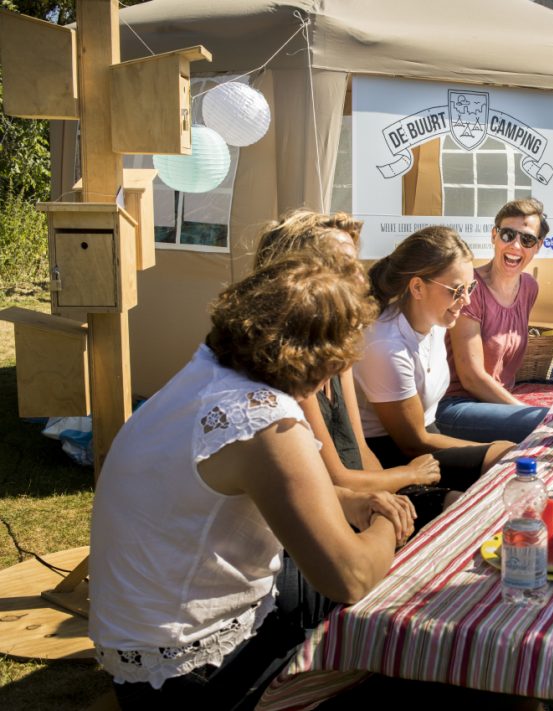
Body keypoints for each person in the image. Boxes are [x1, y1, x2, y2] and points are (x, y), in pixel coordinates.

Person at [89, 248, 415, 709]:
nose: (334, 381)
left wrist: (351, 502)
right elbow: (352, 576)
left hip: (144, 647)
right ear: (317, 357)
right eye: (339, 362)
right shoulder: (258, 419)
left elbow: (242, 488)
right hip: (189, 675)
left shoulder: (208, 373)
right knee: (402, 656)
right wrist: (389, 523)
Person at [253, 210, 442, 497]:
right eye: (343, 265)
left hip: (366, 493)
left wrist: (396, 496)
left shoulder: (338, 350)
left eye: (355, 263)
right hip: (334, 504)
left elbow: (361, 450)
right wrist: (410, 474)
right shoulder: (287, 366)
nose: (360, 276)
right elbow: (336, 480)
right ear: (296, 275)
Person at [354, 226, 513, 510]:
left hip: (426, 436)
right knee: (507, 457)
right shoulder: (387, 346)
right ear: (417, 288)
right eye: (457, 290)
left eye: (471, 287)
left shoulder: (434, 320)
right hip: (392, 455)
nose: (466, 301)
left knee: (508, 455)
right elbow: (413, 443)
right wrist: (494, 448)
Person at [435, 199, 550, 444]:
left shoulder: (529, 287)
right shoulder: (472, 288)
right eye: (508, 234)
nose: (516, 245)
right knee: (550, 424)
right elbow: (471, 378)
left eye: (527, 240)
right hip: (456, 406)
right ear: (494, 236)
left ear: (538, 246)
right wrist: (526, 412)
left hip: (498, 406)